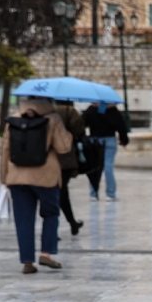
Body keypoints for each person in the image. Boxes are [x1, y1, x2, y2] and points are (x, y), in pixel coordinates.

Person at [0, 97, 73, 274]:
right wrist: (67, 132)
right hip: (45, 176)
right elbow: (64, 148)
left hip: (17, 176)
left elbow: (5, 150)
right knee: (50, 213)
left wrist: (5, 178)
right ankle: (46, 253)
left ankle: (27, 261)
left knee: (23, 219)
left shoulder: (13, 119)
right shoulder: (53, 119)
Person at [82, 102, 128, 201]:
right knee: (108, 167)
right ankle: (110, 194)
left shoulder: (91, 109)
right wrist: (124, 139)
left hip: (94, 141)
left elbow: (82, 123)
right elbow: (121, 125)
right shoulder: (112, 110)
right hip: (109, 140)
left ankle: (93, 193)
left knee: (95, 167)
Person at [55, 100, 86, 235]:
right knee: (61, 192)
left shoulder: (48, 111)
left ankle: (72, 222)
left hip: (49, 157)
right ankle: (57, 228)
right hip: (66, 157)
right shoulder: (70, 111)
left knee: (59, 192)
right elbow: (80, 131)